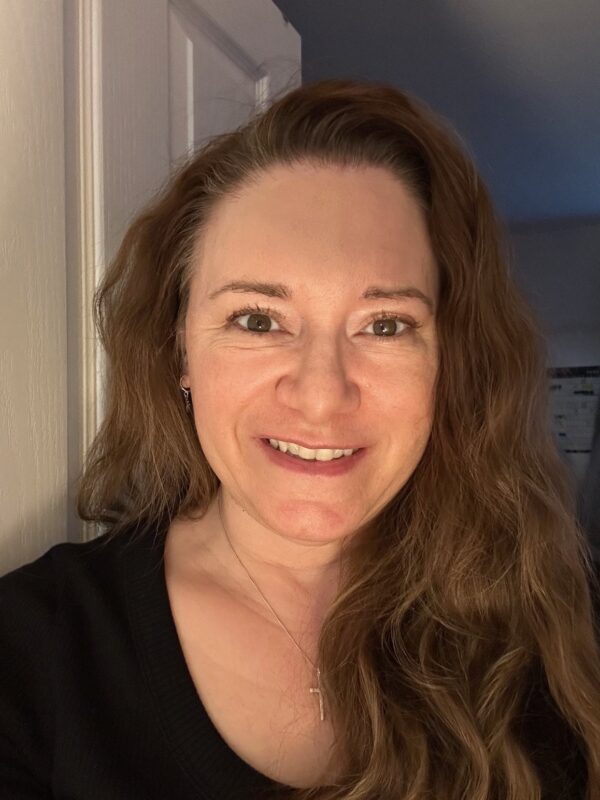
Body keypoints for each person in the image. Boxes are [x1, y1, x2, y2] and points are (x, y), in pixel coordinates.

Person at [1, 78, 599, 800]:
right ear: (180, 349)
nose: (320, 396)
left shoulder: (556, 632)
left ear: (449, 362)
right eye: (257, 320)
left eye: (385, 325)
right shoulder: (31, 653)